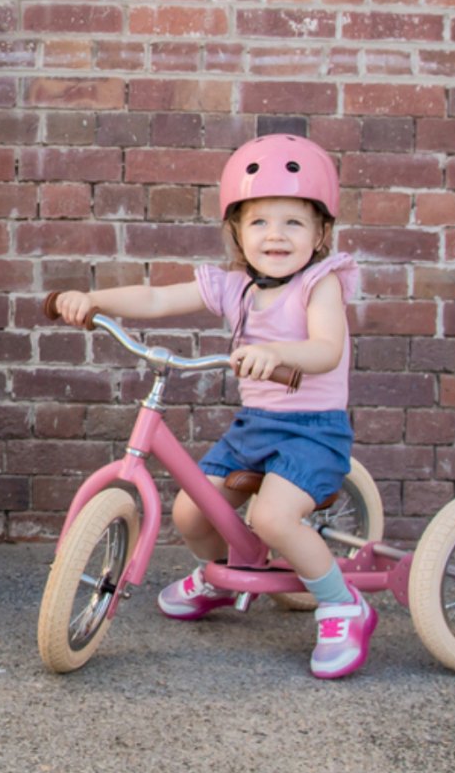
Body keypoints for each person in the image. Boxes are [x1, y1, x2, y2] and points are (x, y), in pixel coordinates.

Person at [54, 133, 377, 680]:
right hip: (256, 426)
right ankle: (226, 573)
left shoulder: (320, 285)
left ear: (321, 232)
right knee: (190, 511)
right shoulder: (234, 286)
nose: (275, 235)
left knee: (275, 518)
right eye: (258, 222)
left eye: (294, 222)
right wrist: (95, 301)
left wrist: (274, 352)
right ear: (236, 231)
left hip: (312, 431)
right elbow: (158, 298)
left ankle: (343, 603)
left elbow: (326, 350)